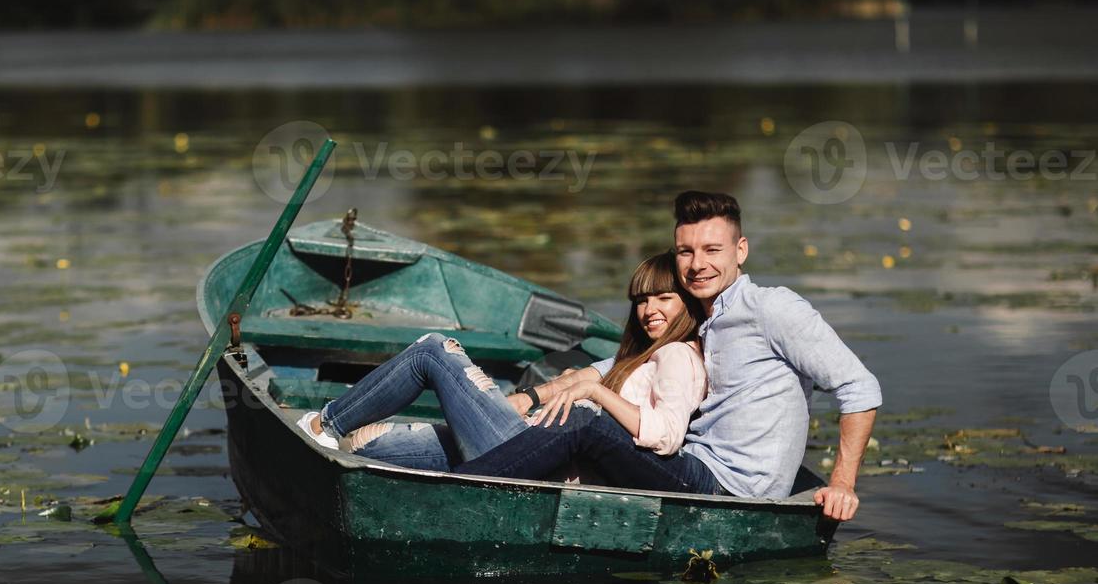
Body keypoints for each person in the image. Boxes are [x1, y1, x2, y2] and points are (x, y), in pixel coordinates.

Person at [456, 191, 882, 522]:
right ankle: (466, 462)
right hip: (687, 463)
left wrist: (843, 483)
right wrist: (535, 396)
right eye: (686, 252)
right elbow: (621, 364)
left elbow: (859, 387)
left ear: (741, 250)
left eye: (712, 250)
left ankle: (458, 493)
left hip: (728, 490)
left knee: (585, 420)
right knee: (575, 414)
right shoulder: (704, 315)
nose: (697, 264)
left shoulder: (772, 309)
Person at [296, 250, 707, 472]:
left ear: (686, 304)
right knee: (372, 446)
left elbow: (667, 434)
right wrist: (548, 392)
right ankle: (330, 436)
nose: (649, 309)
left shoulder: (677, 355)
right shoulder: (641, 355)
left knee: (433, 351)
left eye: (663, 298)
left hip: (528, 450)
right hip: (527, 438)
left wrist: (595, 391)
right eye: (641, 300)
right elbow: (589, 378)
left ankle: (323, 423)